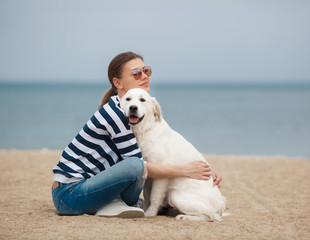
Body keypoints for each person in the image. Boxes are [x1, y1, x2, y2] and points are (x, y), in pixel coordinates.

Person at [51, 52, 222, 218]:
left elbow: (171, 148)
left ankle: (119, 204)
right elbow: (139, 166)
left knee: (137, 168)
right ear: (118, 83)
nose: (144, 76)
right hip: (70, 193)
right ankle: (114, 205)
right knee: (135, 166)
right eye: (136, 73)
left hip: (86, 188)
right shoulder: (115, 114)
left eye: (146, 70)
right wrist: (185, 170)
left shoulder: (136, 118)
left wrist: (204, 171)